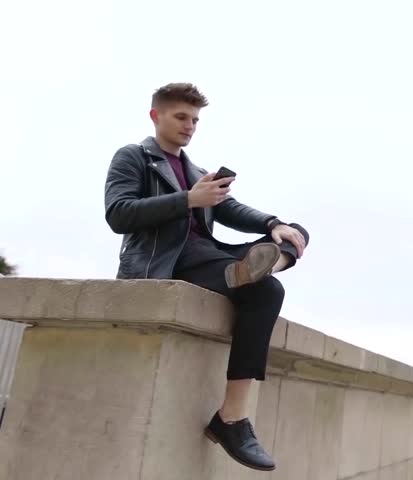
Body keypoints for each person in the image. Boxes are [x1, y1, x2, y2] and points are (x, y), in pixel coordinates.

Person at [103, 83, 308, 471]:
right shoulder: (134, 157)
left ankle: (264, 263)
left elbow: (231, 209)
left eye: (195, 120)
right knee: (266, 293)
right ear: (156, 116)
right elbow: (118, 213)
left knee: (296, 230)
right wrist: (188, 200)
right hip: (169, 261)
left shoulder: (196, 170)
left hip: (210, 259)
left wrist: (272, 223)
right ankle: (231, 420)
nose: (190, 126)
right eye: (181, 117)